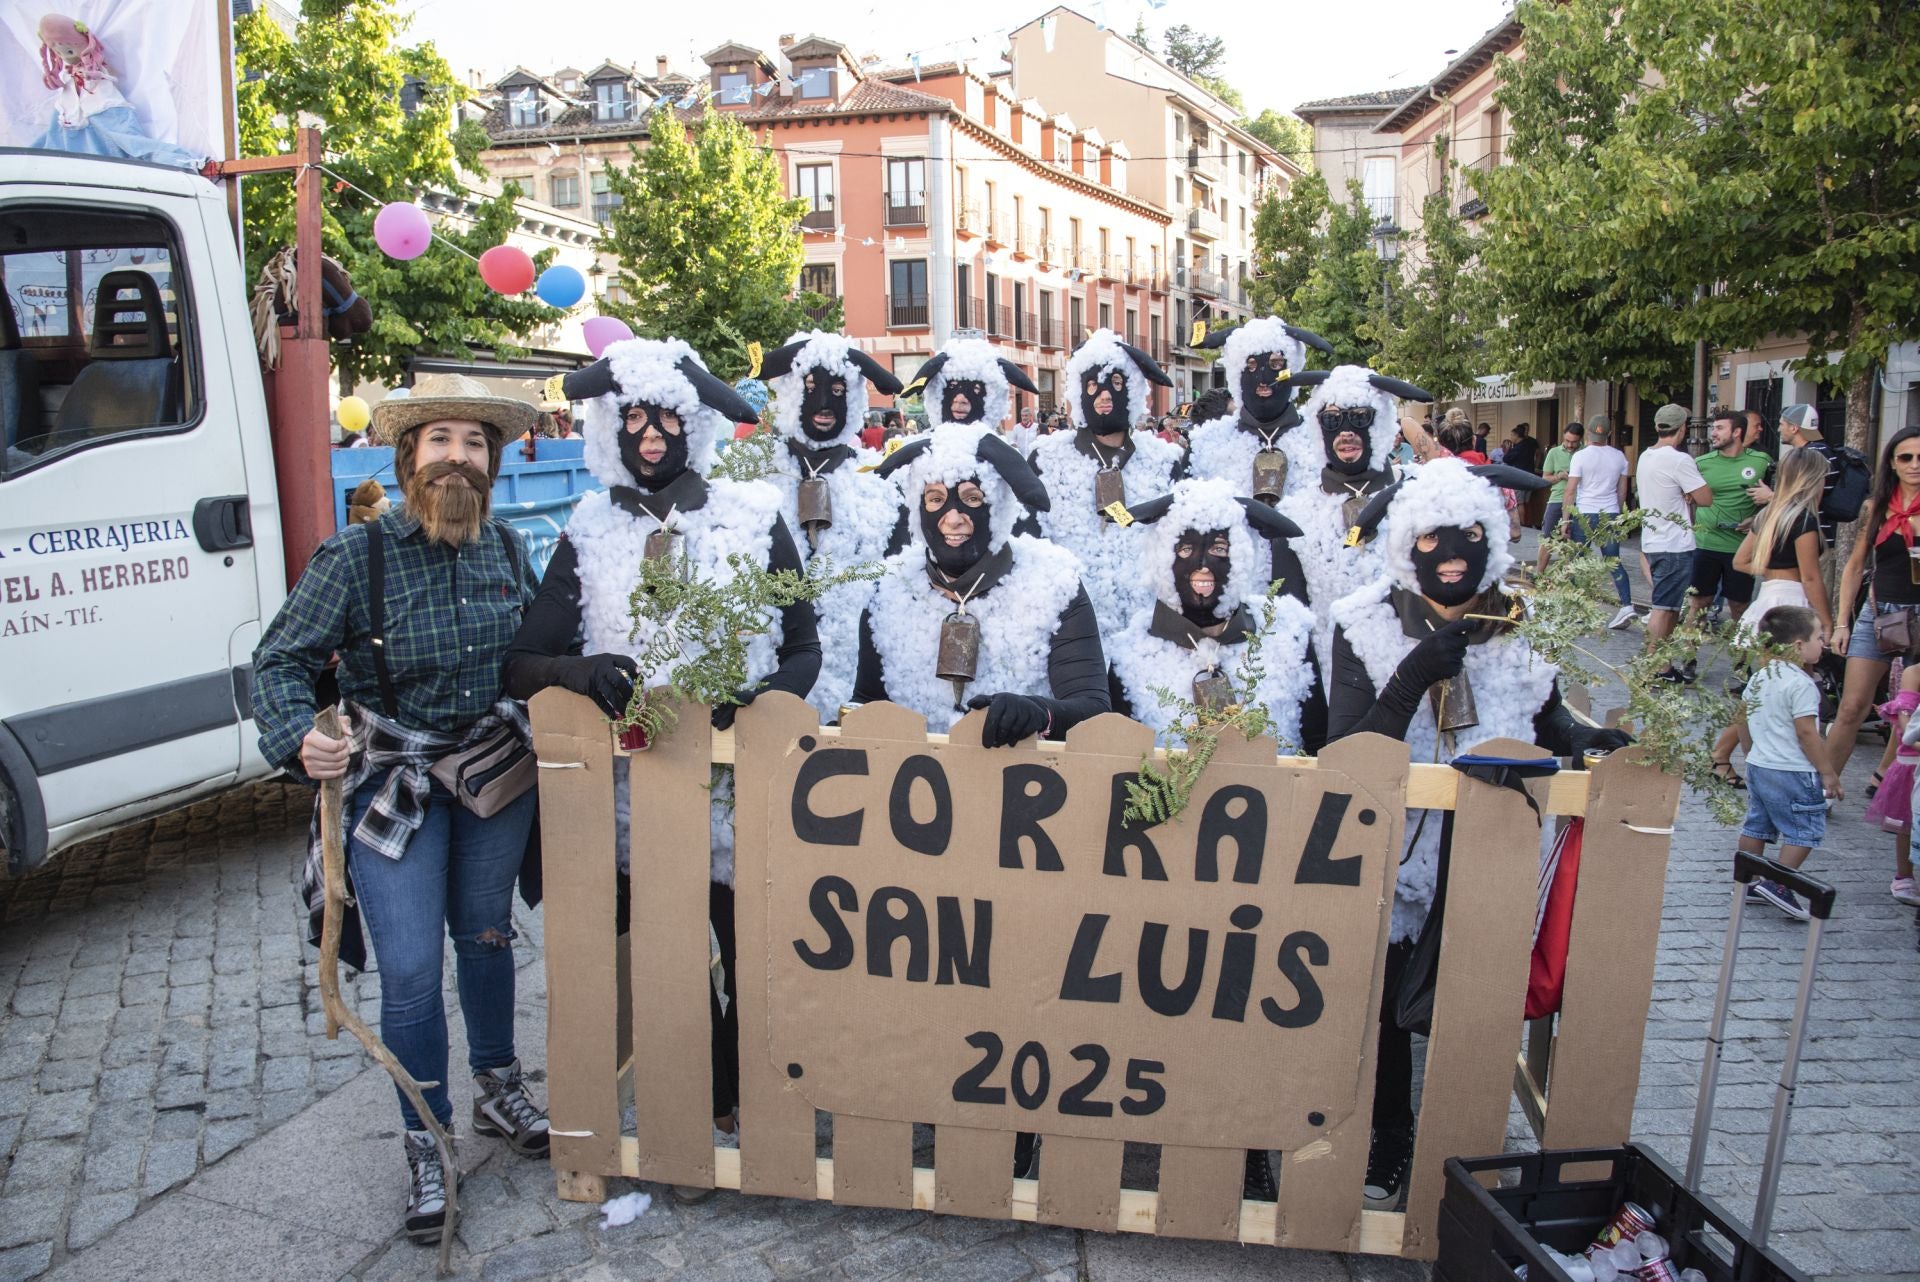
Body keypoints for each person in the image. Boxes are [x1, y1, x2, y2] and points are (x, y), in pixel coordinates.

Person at [501, 338, 821, 1175]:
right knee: (670, 959)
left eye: (668, 415)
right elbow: (523, 659)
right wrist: (583, 669)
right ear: (614, 425)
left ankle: (763, 1095)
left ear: (694, 426)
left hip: (738, 790)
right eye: (635, 416)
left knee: (754, 953)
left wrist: (759, 705)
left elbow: (803, 644)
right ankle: (694, 1106)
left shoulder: (753, 517)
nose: (651, 433)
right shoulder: (590, 525)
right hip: (637, 801)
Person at [251, 373, 546, 1244]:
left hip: (493, 778)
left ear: (491, 462)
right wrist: (298, 738)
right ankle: (428, 1137)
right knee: (413, 969)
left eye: (475, 442)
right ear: (409, 456)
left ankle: (498, 1086)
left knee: (488, 936)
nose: (459, 456)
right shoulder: (356, 558)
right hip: (393, 786)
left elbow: (538, 652)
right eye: (441, 439)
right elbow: (277, 663)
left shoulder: (510, 550)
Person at [1324, 458, 1628, 1209]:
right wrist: (1408, 679)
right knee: (1387, 1004)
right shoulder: (1360, 621)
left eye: (1467, 534)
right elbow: (1346, 752)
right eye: (1432, 537)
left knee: (1479, 998)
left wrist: (1585, 741)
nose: (1451, 551)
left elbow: (1544, 714)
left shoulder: (1522, 624)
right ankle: (1388, 1132)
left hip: (1493, 850)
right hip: (1394, 853)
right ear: (1405, 544)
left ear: (1491, 539)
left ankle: (1466, 1143)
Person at [1105, 478, 1314, 1203]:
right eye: (1189, 546)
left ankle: (1243, 1136)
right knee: (1161, 989)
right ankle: (1152, 1119)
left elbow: (1315, 747)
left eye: (1221, 548)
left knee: (1245, 998)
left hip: (1260, 865)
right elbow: (1110, 761)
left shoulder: (1289, 637)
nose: (1204, 562)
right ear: (1164, 554)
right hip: (1160, 861)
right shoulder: (1129, 646)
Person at [756, 330, 908, 721]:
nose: (824, 403)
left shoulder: (882, 491)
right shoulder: (751, 485)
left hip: (856, 691)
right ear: (791, 393)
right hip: (769, 683)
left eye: (838, 390)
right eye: (810, 388)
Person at [1028, 328, 1181, 635]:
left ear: (1134, 390)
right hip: (1071, 629)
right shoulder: (1046, 459)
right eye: (1093, 384)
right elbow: (1030, 542)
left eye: (1116, 382)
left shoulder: (1166, 461)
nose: (1104, 394)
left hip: (1145, 628)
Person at [1824, 426, 1920, 787]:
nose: (1914, 465)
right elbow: (1855, 565)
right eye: (1905, 457)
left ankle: (1887, 776)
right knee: (1851, 706)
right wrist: (1841, 623)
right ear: (1892, 464)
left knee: (1910, 706)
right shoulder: (1876, 508)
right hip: (1879, 612)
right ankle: (1824, 785)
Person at [1735, 605, 1839, 919]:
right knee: (1804, 830)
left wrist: (1750, 751)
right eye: (1819, 637)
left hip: (1760, 765)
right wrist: (1828, 772)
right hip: (1793, 770)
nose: (1824, 643)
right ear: (1798, 645)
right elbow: (1807, 733)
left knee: (1756, 825)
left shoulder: (1761, 676)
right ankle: (1779, 883)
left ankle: (1748, 882)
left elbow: (1742, 717)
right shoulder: (1802, 684)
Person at [1636, 405, 1713, 669]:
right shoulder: (1679, 459)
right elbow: (1706, 498)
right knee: (1662, 607)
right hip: (1673, 543)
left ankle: (1663, 665)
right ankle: (1653, 666)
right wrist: (1689, 492)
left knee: (1669, 607)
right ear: (1683, 429)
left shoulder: (1646, 456)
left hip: (1653, 538)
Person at [1689, 408, 1774, 635]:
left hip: (1741, 547)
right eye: (1712, 428)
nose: (1712, 433)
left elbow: (1776, 500)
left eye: (1719, 428)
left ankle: (1740, 663)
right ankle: (1688, 659)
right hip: (1706, 543)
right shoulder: (1702, 463)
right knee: (1699, 604)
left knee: (1739, 606)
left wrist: (1757, 518)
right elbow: (1687, 498)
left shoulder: (1762, 462)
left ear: (1737, 432)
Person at [1564, 414, 1637, 629]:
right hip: (1610, 514)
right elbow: (1622, 491)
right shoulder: (1620, 457)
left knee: (1579, 562)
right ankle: (1626, 605)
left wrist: (1565, 520)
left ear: (1588, 432)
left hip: (1585, 513)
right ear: (1609, 433)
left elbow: (1570, 491)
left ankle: (1580, 608)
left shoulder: (1580, 457)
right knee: (1613, 561)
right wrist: (1618, 515)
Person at [1862, 668, 1920, 905]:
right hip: (1911, 762)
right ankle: (1904, 875)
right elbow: (1906, 727)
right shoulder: (1914, 672)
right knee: (1906, 822)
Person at [1536, 423, 1583, 574]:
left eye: (1574, 442)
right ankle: (1538, 575)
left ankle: (1570, 578)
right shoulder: (1554, 453)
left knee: (1574, 542)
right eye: (1567, 441)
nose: (1570, 445)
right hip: (1557, 499)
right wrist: (1559, 476)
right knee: (1548, 539)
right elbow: (1545, 478)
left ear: (1580, 440)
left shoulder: (1585, 452)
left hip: (1580, 500)